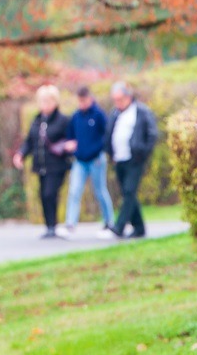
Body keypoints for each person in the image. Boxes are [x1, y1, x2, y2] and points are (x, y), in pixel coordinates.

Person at [11, 84, 73, 238]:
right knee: (43, 195)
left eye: (47, 101)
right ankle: (49, 226)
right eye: (42, 101)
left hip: (57, 165)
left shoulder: (62, 120)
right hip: (41, 165)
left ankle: (53, 225)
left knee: (50, 193)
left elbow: (71, 139)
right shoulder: (37, 120)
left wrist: (70, 147)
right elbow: (30, 141)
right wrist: (20, 154)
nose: (44, 105)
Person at [108, 81, 160, 238]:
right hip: (119, 159)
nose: (118, 103)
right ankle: (139, 228)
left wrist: (142, 153)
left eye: (120, 99)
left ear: (128, 97)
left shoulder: (141, 111)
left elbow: (152, 134)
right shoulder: (115, 113)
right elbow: (109, 134)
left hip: (134, 159)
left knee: (129, 191)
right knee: (127, 193)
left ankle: (119, 226)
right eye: (115, 100)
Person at [63, 85, 116, 237]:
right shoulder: (76, 116)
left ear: (90, 98)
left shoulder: (98, 115)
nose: (82, 104)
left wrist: (99, 151)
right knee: (74, 191)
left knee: (100, 191)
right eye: (79, 101)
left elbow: (106, 136)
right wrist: (70, 144)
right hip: (80, 160)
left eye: (84, 100)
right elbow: (70, 136)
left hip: (96, 160)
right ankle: (70, 223)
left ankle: (108, 221)